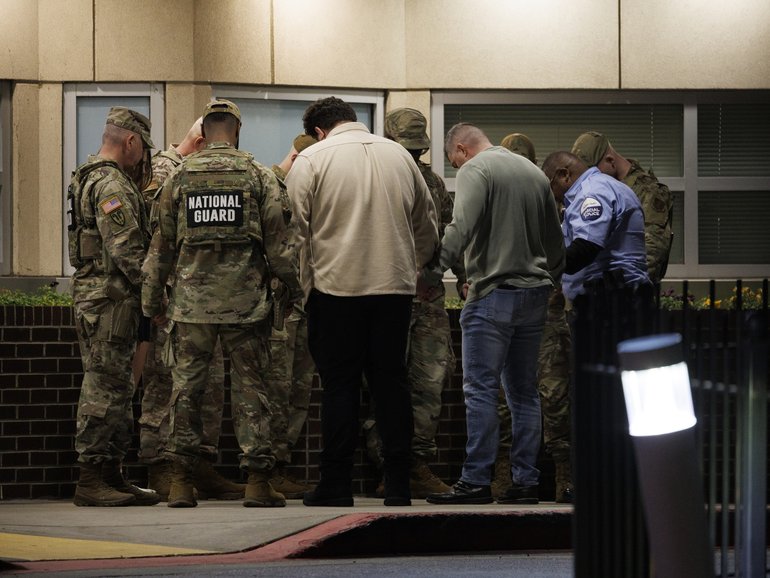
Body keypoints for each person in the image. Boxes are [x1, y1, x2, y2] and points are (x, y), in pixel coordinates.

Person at [142, 99, 303, 508]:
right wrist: (294, 289)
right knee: (252, 391)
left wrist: (151, 301)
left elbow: (159, 247)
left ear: (205, 132)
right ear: (236, 131)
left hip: (191, 306)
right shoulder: (257, 175)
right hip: (245, 305)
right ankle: (256, 482)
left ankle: (180, 482)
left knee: (186, 391)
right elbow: (280, 248)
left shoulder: (179, 178)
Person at [285, 96, 439, 507]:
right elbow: (426, 223)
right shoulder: (400, 158)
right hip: (394, 289)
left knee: (340, 388)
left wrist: (304, 289)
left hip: (336, 290)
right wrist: (414, 267)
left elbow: (295, 233)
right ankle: (399, 484)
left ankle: (336, 484)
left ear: (319, 130)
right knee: (392, 385)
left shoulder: (312, 160)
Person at [422, 123, 565, 505]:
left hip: (494, 295)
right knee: (523, 393)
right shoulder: (533, 172)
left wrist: (433, 272)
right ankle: (526, 482)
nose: (455, 167)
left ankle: (476, 480)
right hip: (534, 295)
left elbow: (461, 226)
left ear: (462, 149)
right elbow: (555, 240)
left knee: (481, 389)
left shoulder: (475, 170)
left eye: (453, 160)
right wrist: (550, 278)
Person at [138, 118, 244, 502]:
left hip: (204, 300)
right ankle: (162, 464)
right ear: (200, 141)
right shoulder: (164, 171)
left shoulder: (192, 172)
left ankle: (199, 463)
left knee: (209, 386)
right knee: (167, 384)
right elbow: (156, 239)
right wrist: (156, 297)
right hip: (173, 299)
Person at [363, 108, 465, 499]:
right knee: (384, 381)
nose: (414, 157)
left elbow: (450, 234)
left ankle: (413, 463)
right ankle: (389, 465)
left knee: (428, 382)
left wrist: (459, 274)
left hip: (425, 299)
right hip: (385, 293)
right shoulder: (374, 178)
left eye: (418, 150)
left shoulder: (433, 183)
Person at [67, 107, 159, 506]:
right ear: (131, 141)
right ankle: (91, 480)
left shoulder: (87, 175)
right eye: (142, 149)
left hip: (106, 299)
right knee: (104, 388)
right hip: (108, 301)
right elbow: (128, 250)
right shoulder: (111, 185)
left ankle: (111, 475)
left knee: (119, 387)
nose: (143, 158)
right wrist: (156, 295)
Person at [495, 133, 574, 504]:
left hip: (545, 312)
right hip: (515, 310)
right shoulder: (496, 206)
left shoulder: (556, 209)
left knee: (553, 394)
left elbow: (561, 256)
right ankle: (506, 473)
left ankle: (563, 475)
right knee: (505, 397)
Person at [264, 133, 318, 499]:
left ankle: (281, 466)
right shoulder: (268, 185)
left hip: (308, 301)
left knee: (299, 388)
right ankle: (267, 468)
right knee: (276, 387)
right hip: (281, 304)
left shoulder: (317, 187)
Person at [540, 151, 652, 310]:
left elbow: (585, 248)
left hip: (613, 302)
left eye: (550, 187)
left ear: (564, 174)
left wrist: (539, 263)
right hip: (616, 297)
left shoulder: (591, 193)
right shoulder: (603, 186)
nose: (552, 196)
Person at [571, 131, 673, 284]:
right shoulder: (600, 190)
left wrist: (620, 292)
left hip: (625, 295)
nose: (591, 179)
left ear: (610, 161)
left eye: (594, 172)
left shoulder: (647, 192)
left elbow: (650, 253)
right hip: (595, 294)